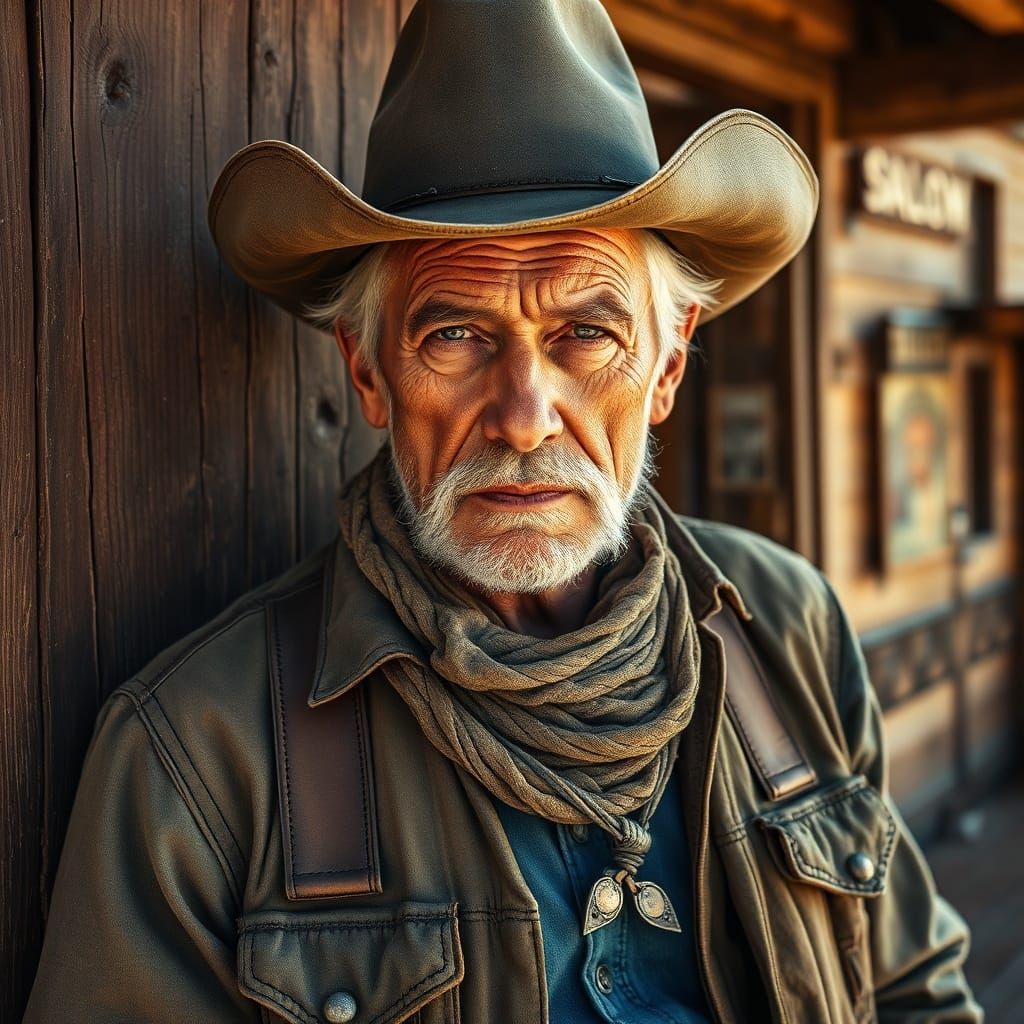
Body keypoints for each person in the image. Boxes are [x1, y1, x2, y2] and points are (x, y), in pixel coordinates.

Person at [26, 1, 980, 1021]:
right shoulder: (200, 758)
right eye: (456, 336)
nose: (524, 418)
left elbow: (911, 993)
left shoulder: (786, 627)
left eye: (585, 333)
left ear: (666, 364)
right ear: (369, 371)